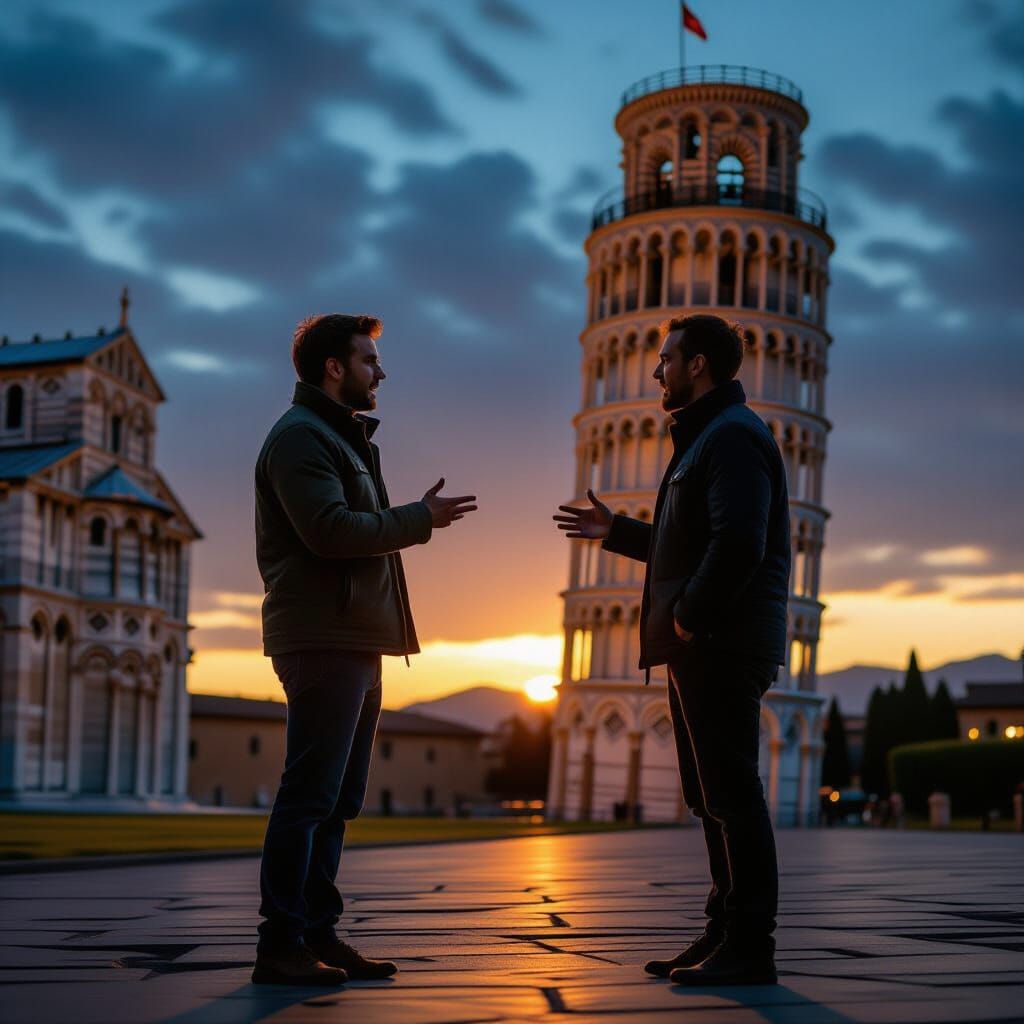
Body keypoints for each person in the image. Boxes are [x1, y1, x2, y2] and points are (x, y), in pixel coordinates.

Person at [553, 314, 790, 987]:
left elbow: (738, 542)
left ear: (700, 364)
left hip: (721, 641)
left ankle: (750, 946)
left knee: (733, 795)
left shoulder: (733, 438)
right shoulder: (709, 436)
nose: (656, 371)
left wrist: (687, 618)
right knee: (710, 796)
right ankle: (723, 933)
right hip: (705, 642)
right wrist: (619, 531)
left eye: (667, 359)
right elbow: (692, 539)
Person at [252, 313, 477, 986]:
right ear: (333, 367)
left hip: (356, 637)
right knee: (309, 794)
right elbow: (329, 532)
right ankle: (279, 944)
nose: (381, 372)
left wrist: (408, 518)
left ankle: (317, 934)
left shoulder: (338, 438)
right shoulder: (300, 439)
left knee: (340, 798)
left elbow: (352, 529)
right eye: (369, 360)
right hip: (323, 637)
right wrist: (418, 519)